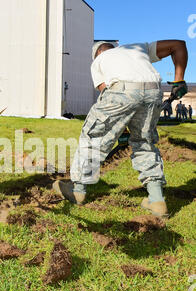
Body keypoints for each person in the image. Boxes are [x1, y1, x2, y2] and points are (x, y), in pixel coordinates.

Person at [53, 39, 188, 218]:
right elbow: (179, 45)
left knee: (93, 136)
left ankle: (78, 190)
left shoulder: (99, 62)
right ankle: (157, 200)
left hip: (121, 91)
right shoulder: (139, 48)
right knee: (144, 142)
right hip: (154, 91)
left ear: (97, 53)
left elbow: (106, 93)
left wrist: (119, 128)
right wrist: (179, 80)